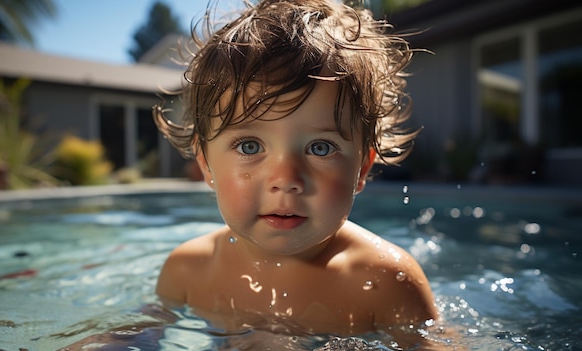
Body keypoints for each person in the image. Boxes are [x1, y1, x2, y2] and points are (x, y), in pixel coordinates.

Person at [153, 0, 438, 340]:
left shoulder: (385, 281)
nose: (286, 181)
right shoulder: (187, 270)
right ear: (206, 165)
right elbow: (143, 336)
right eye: (249, 146)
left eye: (320, 148)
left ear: (361, 169)